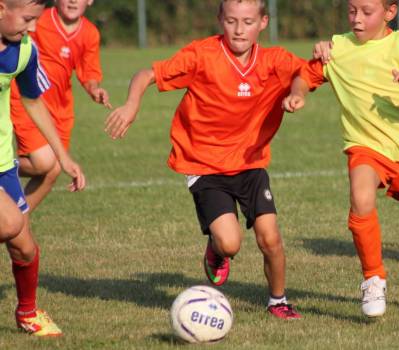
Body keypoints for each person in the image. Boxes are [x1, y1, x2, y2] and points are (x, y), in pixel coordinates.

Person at [105, 0, 308, 320]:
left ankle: (278, 300)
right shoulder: (201, 55)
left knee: (271, 237)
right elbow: (147, 73)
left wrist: (298, 92)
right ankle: (216, 249)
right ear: (219, 20)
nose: (239, 30)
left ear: (263, 22)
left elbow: (305, 72)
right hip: (204, 164)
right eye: (231, 21)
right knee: (230, 243)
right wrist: (132, 105)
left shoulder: (273, 60)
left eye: (247, 21)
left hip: (251, 163)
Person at [283, 0, 399, 317]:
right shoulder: (337, 48)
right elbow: (306, 75)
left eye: (366, 12)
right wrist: (298, 93)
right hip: (364, 145)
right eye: (351, 11)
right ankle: (373, 279)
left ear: (389, 13)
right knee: (360, 200)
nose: (357, 19)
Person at [0, 0, 86, 336]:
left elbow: (33, 100)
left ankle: (27, 314)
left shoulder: (23, 50)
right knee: (10, 221)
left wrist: (62, 156)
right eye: (27, 19)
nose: (33, 28)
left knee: (24, 246)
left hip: (4, 161)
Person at [10, 0, 108, 211]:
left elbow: (89, 72)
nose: (73, 0)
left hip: (60, 109)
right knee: (44, 162)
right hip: (27, 100)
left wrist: (94, 89)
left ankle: (18, 224)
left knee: (52, 170)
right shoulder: (37, 19)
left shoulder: (90, 33)